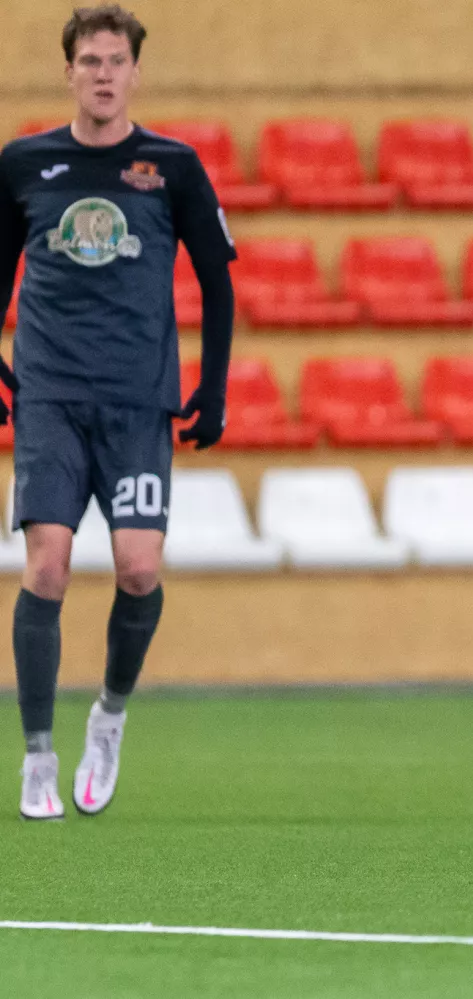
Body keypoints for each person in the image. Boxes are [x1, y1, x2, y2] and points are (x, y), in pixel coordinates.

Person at [0, 4, 236, 819]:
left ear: (136, 72)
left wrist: (214, 387)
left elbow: (218, 281)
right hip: (50, 397)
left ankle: (109, 715)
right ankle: (38, 756)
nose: (103, 75)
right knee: (47, 567)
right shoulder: (24, 163)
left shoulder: (172, 167)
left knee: (138, 568)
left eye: (116, 61)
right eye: (90, 61)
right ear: (68, 71)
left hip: (137, 399)